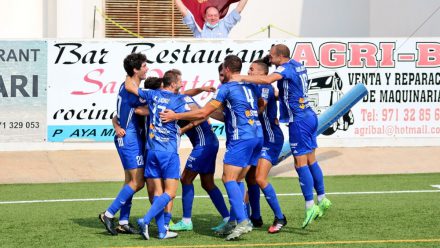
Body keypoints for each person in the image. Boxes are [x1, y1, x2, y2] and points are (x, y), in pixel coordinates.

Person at [160, 55, 261, 241]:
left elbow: (203, 113)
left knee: (218, 179)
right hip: (256, 135)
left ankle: (239, 220)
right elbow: (261, 103)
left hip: (225, 141)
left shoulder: (226, 88)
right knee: (222, 181)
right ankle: (230, 219)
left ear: (228, 70)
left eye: (223, 73)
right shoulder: (249, 86)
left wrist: (176, 118)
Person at [231, 44, 332, 229]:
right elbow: (278, 88)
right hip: (308, 116)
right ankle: (322, 198)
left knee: (298, 164)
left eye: (272, 55)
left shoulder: (281, 72)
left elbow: (268, 82)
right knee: (310, 161)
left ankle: (309, 207)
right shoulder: (297, 65)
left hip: (296, 122)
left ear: (280, 56)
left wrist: (240, 78)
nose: (270, 57)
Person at [125, 70, 189, 240]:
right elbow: (194, 114)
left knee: (158, 194)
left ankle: (162, 231)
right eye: (180, 81)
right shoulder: (178, 99)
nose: (182, 84)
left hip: (151, 152)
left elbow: (130, 87)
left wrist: (130, 72)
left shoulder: (152, 94)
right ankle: (145, 220)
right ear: (173, 84)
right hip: (168, 152)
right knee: (171, 193)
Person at [169, 68, 231, 232]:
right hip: (209, 142)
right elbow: (188, 93)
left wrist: (184, 128)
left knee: (185, 179)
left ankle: (186, 221)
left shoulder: (179, 101)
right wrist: (202, 89)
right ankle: (227, 218)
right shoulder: (183, 97)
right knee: (207, 183)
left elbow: (202, 115)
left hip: (204, 144)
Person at [99, 53, 148, 236]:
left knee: (130, 181)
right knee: (138, 181)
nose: (147, 68)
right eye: (144, 66)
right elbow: (144, 109)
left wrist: (116, 124)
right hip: (129, 140)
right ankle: (109, 214)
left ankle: (124, 221)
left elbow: (116, 115)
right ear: (135, 70)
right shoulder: (130, 87)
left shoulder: (129, 84)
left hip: (129, 137)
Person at [244, 58, 287, 233]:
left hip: (271, 139)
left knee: (260, 179)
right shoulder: (252, 86)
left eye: (251, 69)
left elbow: (260, 109)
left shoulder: (264, 87)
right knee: (250, 179)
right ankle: (256, 217)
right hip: (261, 138)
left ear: (262, 73)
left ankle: (280, 217)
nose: (248, 72)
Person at [175, 0, 248, 38]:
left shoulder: (225, 25)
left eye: (215, 15)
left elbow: (239, 8)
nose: (213, 18)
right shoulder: (197, 27)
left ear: (219, 16)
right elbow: (183, 11)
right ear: (205, 17)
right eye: (210, 15)